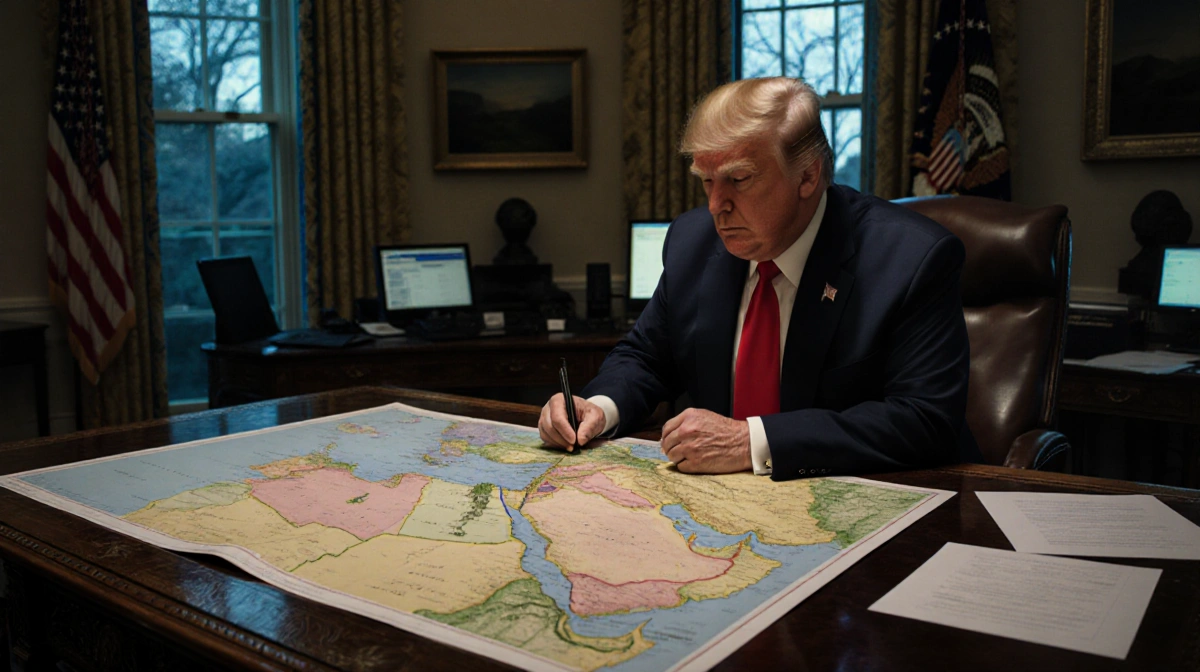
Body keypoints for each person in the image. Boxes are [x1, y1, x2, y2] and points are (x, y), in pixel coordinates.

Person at [539, 77, 979, 480]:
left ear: (808, 175)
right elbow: (647, 358)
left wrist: (752, 441)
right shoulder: (693, 242)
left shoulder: (911, 259)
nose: (716, 205)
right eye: (707, 181)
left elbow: (924, 419)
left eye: (738, 179)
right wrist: (597, 407)